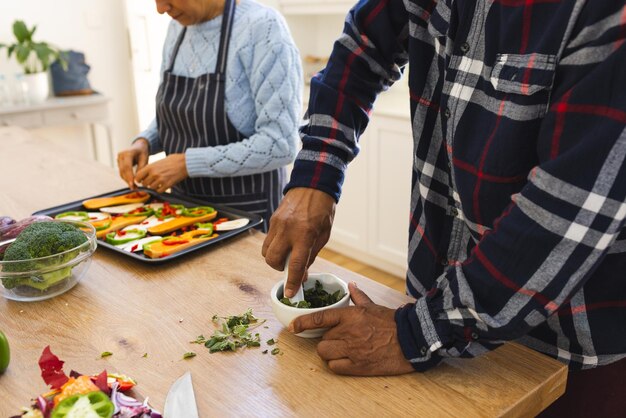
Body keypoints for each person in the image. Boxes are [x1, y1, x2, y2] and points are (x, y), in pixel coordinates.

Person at [262, 0, 626, 415]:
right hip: (436, 310)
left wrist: (415, 333)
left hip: (564, 350)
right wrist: (315, 174)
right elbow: (363, 46)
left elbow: (566, 213)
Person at [117, 0, 302, 231]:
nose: (160, 9)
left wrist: (187, 164)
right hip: (183, 210)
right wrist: (145, 142)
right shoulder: (178, 27)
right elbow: (179, 111)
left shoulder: (263, 28)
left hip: (246, 216)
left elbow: (280, 144)